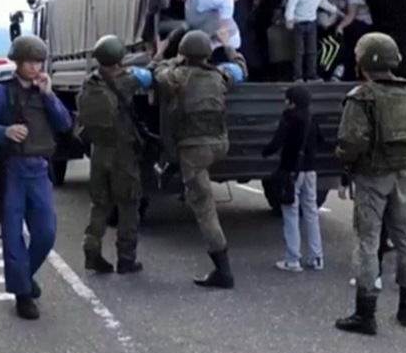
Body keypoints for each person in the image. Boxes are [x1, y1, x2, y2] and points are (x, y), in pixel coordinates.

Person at [333, 33, 406, 336]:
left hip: (372, 175)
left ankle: (365, 313)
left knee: (367, 240)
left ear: (363, 60)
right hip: (403, 175)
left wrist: (342, 158)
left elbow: (352, 140)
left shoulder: (362, 96)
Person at [0, 35, 73, 320]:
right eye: (30, 61)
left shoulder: (44, 93)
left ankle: (23, 278)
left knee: (45, 232)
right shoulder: (1, 93)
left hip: (39, 168)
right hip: (11, 169)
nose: (35, 66)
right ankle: (22, 294)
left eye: (39, 61)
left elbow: (65, 124)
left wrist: (50, 95)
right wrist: (4, 132)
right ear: (18, 62)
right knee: (13, 236)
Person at [153, 29, 247, 289]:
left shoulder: (177, 76)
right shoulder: (220, 76)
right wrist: (228, 46)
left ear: (184, 53)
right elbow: (240, 67)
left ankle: (223, 272)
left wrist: (165, 54)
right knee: (199, 183)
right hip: (219, 143)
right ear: (207, 54)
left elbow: (155, 71)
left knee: (205, 210)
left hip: (193, 148)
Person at [76, 35, 154, 275]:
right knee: (129, 203)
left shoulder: (89, 82)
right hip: (122, 151)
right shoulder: (128, 80)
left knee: (99, 203)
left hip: (98, 150)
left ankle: (92, 249)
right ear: (120, 56)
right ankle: (127, 258)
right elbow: (149, 76)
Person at [263, 85, 324, 272]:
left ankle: (293, 259)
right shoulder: (312, 119)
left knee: (290, 213)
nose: (285, 102)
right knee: (311, 213)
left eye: (287, 99)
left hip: (291, 171)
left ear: (292, 101)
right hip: (310, 170)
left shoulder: (289, 118)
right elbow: (321, 141)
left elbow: (276, 142)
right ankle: (316, 257)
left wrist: (265, 152)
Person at [158, 0, 242, 65]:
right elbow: (188, 25)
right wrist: (168, 40)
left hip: (225, 44)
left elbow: (227, 1)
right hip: (211, 45)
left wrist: (223, 24)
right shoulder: (188, 4)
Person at [283, 0, 334, 83]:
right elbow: (291, 6)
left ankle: (311, 75)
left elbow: (324, 3)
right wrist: (289, 19)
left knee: (312, 50)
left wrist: (335, 10)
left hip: (312, 24)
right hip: (299, 24)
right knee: (299, 51)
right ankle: (298, 76)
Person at [328, 0, 374, 81]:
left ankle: (349, 74)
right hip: (347, 21)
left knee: (347, 42)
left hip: (361, 22)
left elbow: (351, 14)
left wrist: (340, 27)